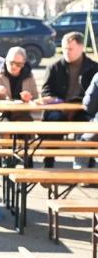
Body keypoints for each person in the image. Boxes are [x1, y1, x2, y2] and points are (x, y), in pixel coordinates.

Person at [39, 32, 98, 167]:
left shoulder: (93, 67)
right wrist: (52, 98)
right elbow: (46, 91)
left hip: (82, 110)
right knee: (55, 121)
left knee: (88, 125)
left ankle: (85, 163)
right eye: (64, 48)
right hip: (58, 108)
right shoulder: (54, 67)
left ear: (81, 47)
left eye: (70, 49)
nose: (66, 52)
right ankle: (48, 161)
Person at [0, 46, 38, 121]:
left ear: (23, 64)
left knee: (26, 126)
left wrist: (28, 99)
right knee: (4, 127)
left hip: (22, 113)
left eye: (18, 64)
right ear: (6, 61)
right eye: (11, 63)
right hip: (0, 114)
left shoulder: (29, 75)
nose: (14, 67)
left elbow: (36, 99)